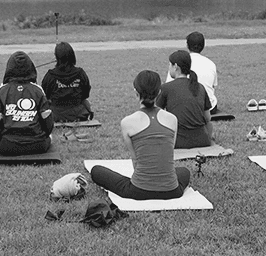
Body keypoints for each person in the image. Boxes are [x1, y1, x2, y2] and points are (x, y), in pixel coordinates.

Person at [89, 71, 193, 200]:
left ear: (136, 92)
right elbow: (168, 153)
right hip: (172, 191)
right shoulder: (172, 119)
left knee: (96, 171)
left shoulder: (127, 122)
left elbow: (135, 160)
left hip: (139, 191)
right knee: (184, 171)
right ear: (159, 92)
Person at [0, 51, 55, 155]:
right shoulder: (37, 89)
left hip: (8, 146)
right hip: (37, 145)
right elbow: (48, 124)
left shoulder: (2, 90)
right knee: (50, 137)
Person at [156, 50, 213, 149]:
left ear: (175, 66)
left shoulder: (166, 88)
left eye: (170, 65)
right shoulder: (200, 87)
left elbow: (156, 115)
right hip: (202, 140)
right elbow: (207, 118)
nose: (169, 68)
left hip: (178, 142)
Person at [40, 41, 92, 123]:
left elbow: (44, 94)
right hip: (78, 114)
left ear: (57, 57)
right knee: (86, 103)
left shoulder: (50, 76)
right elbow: (86, 93)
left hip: (56, 114)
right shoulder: (80, 73)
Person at [184, 31, 221, 113]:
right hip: (209, 108)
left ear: (187, 45)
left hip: (185, 107)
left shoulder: (180, 62)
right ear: (203, 46)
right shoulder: (211, 64)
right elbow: (213, 86)